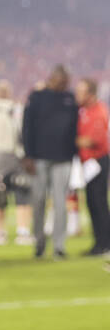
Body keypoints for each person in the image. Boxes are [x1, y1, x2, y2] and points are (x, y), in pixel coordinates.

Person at [22, 64, 79, 259]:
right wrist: (28, 155)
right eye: (61, 82)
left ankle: (59, 246)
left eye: (66, 83)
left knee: (60, 202)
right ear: (52, 78)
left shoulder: (70, 99)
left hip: (63, 158)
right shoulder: (37, 97)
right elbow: (26, 126)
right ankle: (39, 243)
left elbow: (75, 129)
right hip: (38, 157)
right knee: (38, 201)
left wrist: (74, 153)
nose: (64, 85)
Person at [0, 79, 32, 246]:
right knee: (22, 195)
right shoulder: (16, 110)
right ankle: (23, 232)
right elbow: (23, 134)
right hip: (16, 158)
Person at [75, 78, 109, 256]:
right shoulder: (84, 111)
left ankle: (105, 244)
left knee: (99, 203)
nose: (77, 95)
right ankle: (99, 243)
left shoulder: (98, 111)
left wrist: (70, 141)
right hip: (88, 164)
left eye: (81, 91)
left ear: (90, 94)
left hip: (98, 162)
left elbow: (92, 140)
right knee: (92, 203)